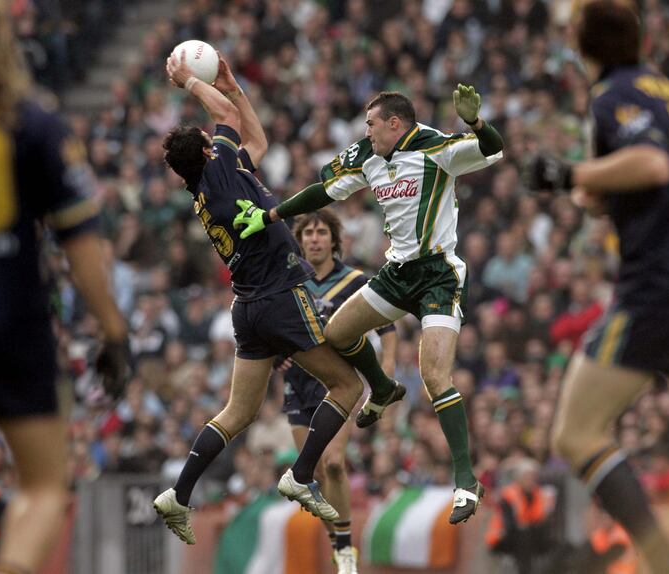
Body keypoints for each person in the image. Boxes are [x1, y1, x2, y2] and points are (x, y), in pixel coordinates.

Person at [524, 2, 669, 573]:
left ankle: (668, 563)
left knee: (575, 432)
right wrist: (594, 188)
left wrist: (570, 174)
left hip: (656, 285)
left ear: (583, 43)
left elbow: (654, 166)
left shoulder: (612, 96)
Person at [234, 87, 504, 522]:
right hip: (397, 273)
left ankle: (465, 480)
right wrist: (270, 216)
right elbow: (324, 190)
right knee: (337, 334)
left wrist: (476, 122)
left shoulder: (436, 146)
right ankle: (380, 387)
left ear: (394, 124)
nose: (366, 131)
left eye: (371, 124)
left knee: (435, 375)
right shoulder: (368, 154)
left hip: (438, 274)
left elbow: (493, 149)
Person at [0, 2, 130, 573]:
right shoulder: (32, 121)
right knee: (44, 486)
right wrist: (111, 329)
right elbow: (81, 241)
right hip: (11, 317)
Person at [153, 50, 366, 544]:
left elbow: (257, 138)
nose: (218, 137)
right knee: (349, 386)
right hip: (279, 296)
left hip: (248, 306)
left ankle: (178, 495)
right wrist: (190, 82)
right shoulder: (220, 168)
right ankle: (301, 474)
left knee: (239, 413)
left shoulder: (212, 183)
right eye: (212, 139)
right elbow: (227, 123)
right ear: (208, 151)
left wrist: (233, 87)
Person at [282, 209, 397, 573]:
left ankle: (345, 548)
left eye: (321, 232)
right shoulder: (288, 281)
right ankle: (338, 541)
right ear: (300, 243)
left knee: (333, 463)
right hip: (298, 385)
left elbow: (387, 326)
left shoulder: (355, 280)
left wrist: (388, 369)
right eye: (308, 234)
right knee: (312, 476)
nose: (314, 239)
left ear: (335, 239)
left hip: (339, 384)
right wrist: (275, 357)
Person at [484, 458, 557, 574]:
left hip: (529, 535)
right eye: (527, 477)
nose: (531, 480)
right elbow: (510, 525)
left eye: (533, 477)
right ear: (519, 478)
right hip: (502, 538)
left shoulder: (539, 495)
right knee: (523, 536)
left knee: (548, 536)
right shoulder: (507, 496)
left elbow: (541, 519)